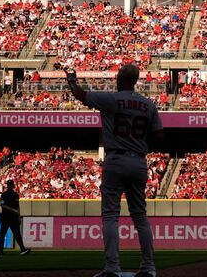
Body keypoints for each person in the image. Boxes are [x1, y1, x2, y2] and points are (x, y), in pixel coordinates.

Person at [67, 64, 163, 277]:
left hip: (115, 158)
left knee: (110, 216)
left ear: (120, 78)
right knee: (140, 216)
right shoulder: (148, 104)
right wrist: (138, 143)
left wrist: (72, 80)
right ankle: (148, 267)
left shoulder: (111, 99)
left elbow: (80, 95)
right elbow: (159, 136)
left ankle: (112, 268)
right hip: (138, 160)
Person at [0, 179, 30, 257]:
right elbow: (2, 205)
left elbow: (17, 206)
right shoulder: (4, 194)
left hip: (13, 217)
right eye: (9, 185)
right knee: (2, 234)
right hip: (5, 216)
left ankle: (23, 249)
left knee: (17, 233)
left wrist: (18, 216)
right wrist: (13, 210)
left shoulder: (15, 194)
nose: (10, 186)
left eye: (11, 185)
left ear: (13, 185)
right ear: (8, 186)